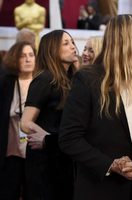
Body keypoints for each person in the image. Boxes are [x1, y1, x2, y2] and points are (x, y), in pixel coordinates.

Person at [59, 14, 132, 200]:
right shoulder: (88, 79)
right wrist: (111, 165)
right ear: (124, 41)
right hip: (99, 189)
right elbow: (69, 138)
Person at [20, 30, 78, 200]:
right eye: (66, 43)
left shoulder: (72, 79)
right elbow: (25, 122)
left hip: (62, 157)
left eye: (72, 42)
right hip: (45, 162)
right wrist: (47, 138)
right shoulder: (45, 79)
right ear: (52, 49)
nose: (73, 47)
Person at [0, 41, 36, 200]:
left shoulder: (42, 82)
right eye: (23, 56)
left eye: (31, 55)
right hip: (10, 151)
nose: (28, 59)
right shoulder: (5, 83)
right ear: (15, 58)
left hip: (35, 152)